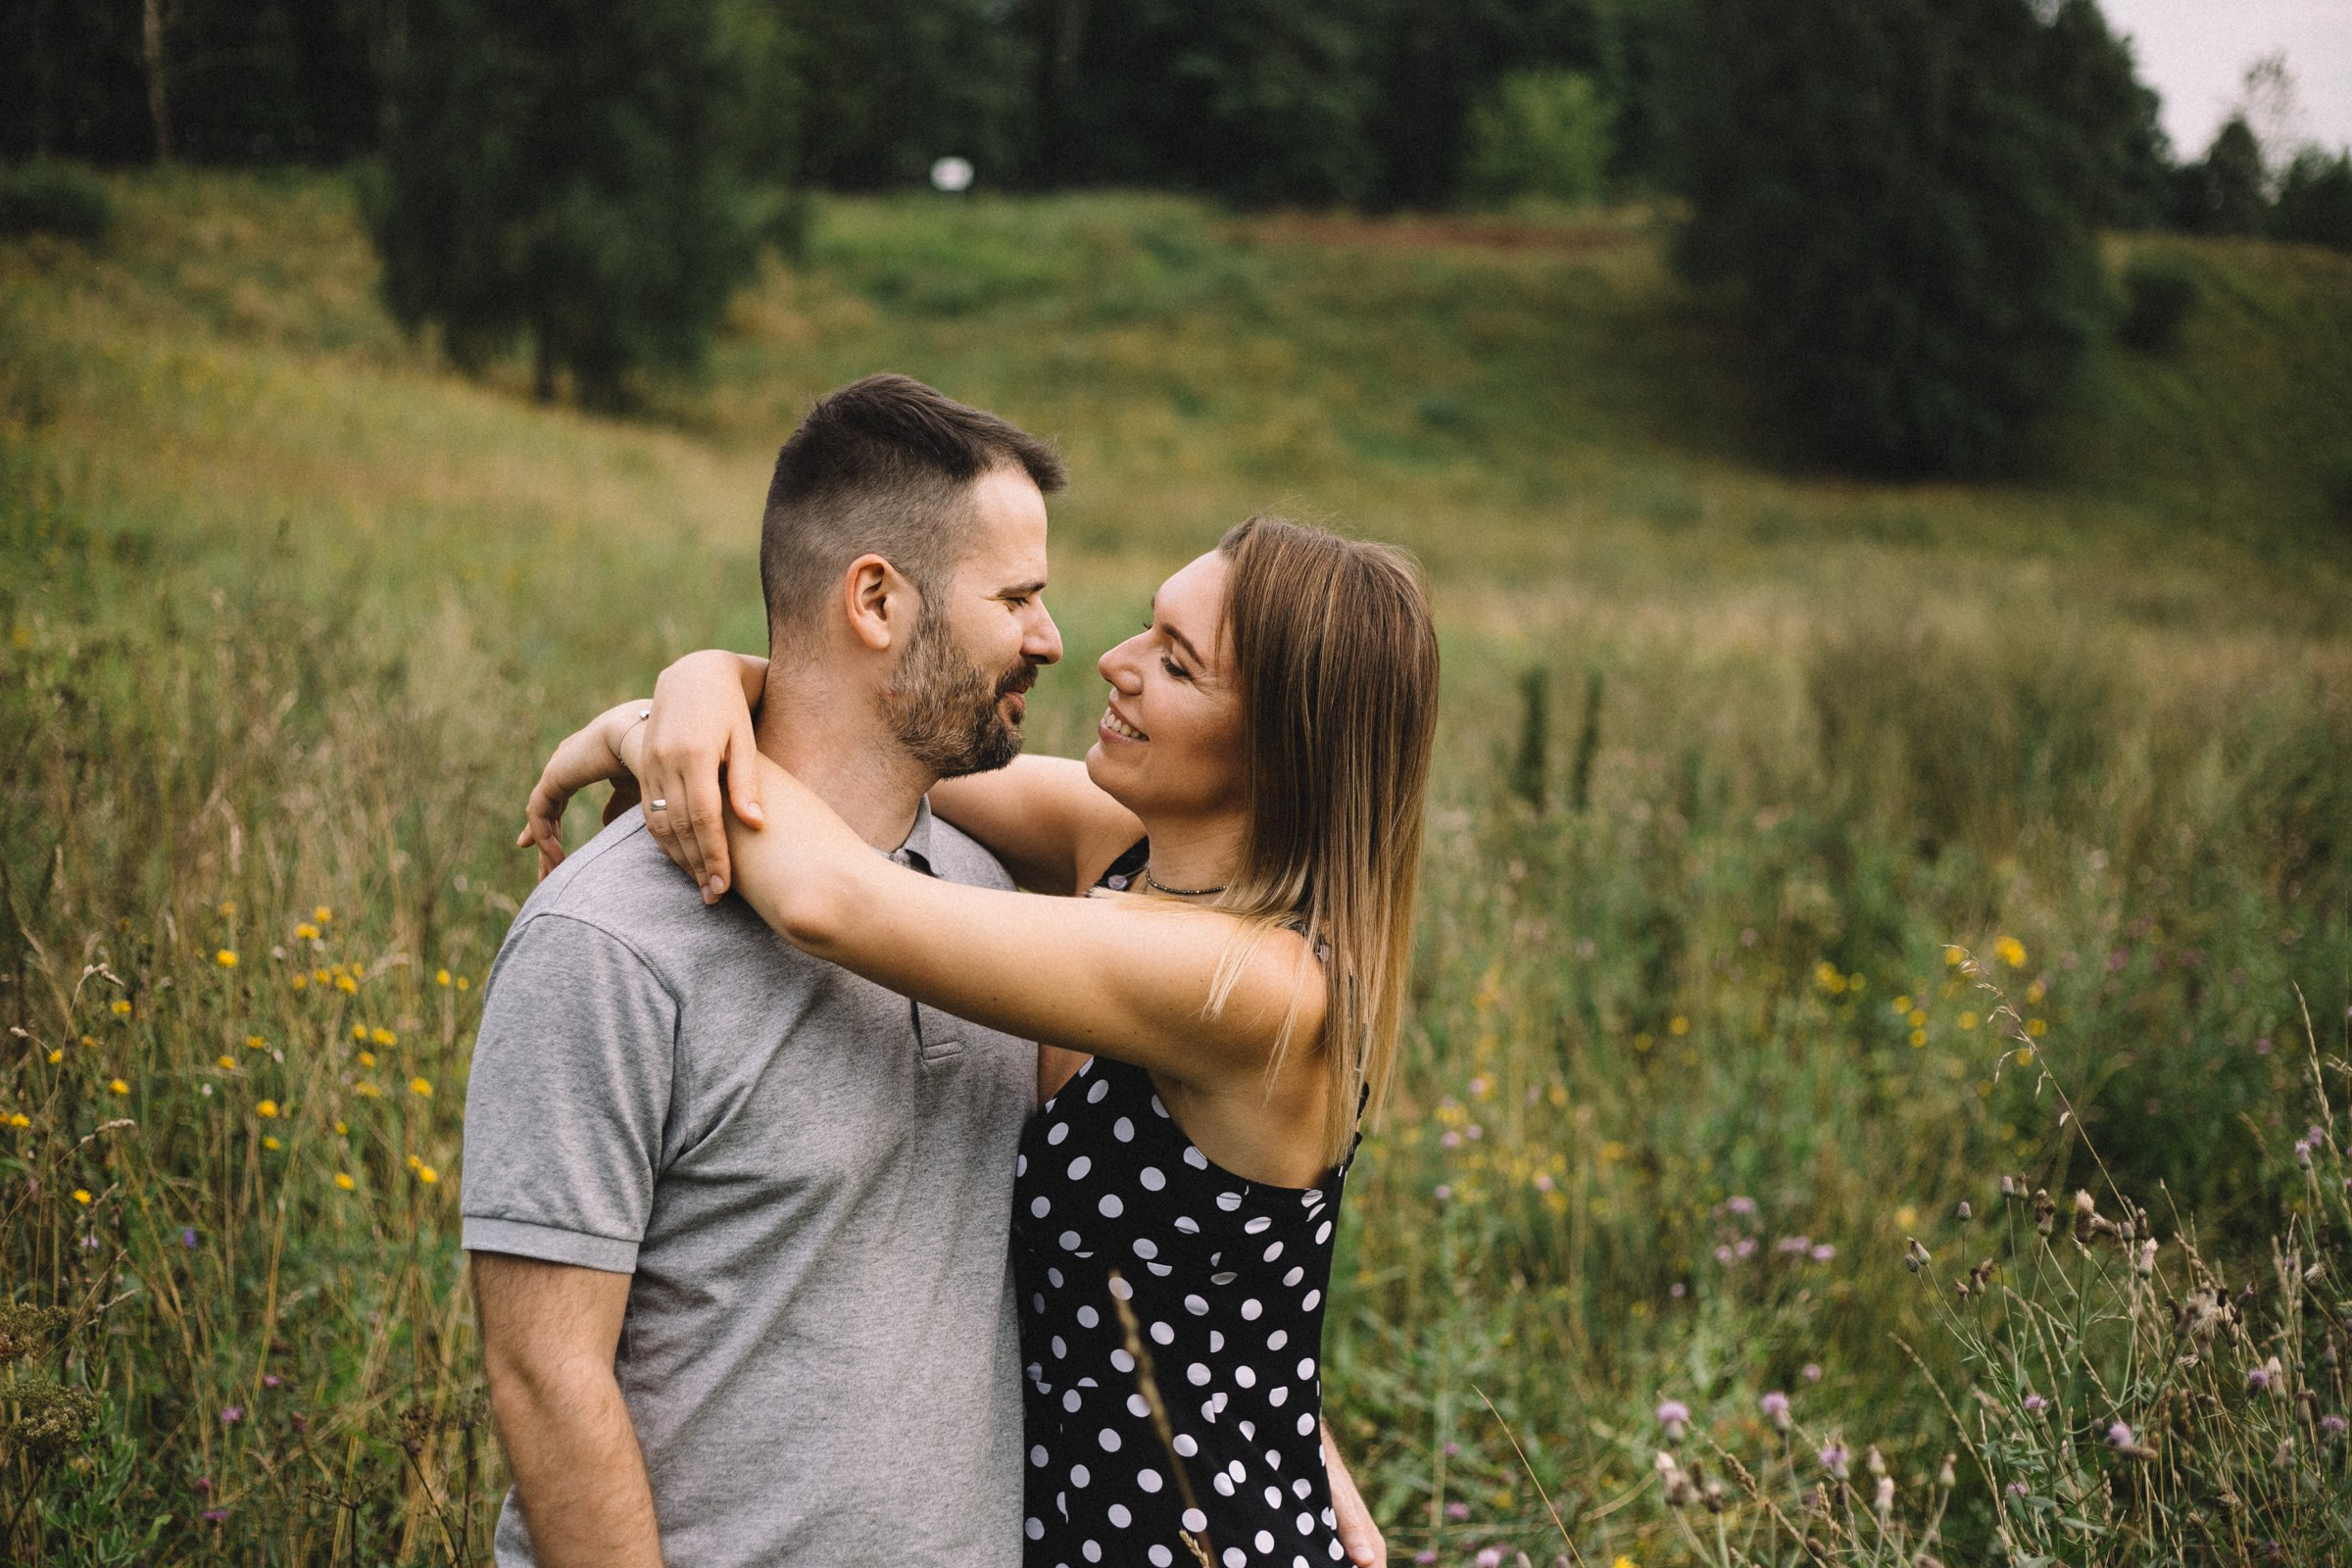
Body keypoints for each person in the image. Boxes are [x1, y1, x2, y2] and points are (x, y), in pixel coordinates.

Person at [473, 372, 1387, 1568]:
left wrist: (659, 724)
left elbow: (830, 897)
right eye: (1019, 596)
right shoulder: (616, 940)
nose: (1077, 648)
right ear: (875, 598)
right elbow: (544, 1373)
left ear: (1274, 743)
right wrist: (689, 693)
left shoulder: (1177, 960)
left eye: (1173, 659)